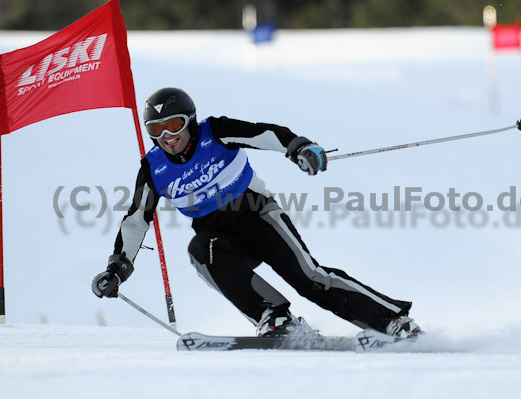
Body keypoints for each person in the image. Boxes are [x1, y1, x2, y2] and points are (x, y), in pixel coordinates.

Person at [92, 87, 421, 338]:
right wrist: (118, 267)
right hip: (220, 237)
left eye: (174, 125)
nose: (167, 137)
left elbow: (265, 133)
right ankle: (275, 319)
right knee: (200, 251)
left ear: (190, 120)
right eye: (156, 129)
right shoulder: (154, 168)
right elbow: (136, 220)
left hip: (258, 215)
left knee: (308, 279)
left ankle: (392, 320)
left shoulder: (215, 132)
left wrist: (299, 147)